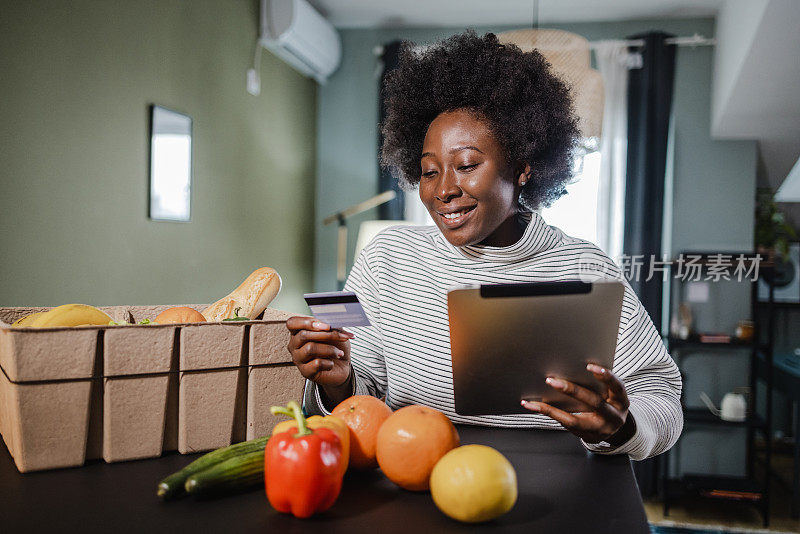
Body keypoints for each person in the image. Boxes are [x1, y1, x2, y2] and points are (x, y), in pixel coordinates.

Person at [287, 31, 682, 460]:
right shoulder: (386, 257)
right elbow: (360, 394)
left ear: (522, 167)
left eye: (467, 165)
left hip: (557, 485)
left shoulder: (585, 267)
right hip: (416, 478)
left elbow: (659, 394)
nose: (444, 190)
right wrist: (337, 380)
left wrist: (622, 426)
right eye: (429, 171)